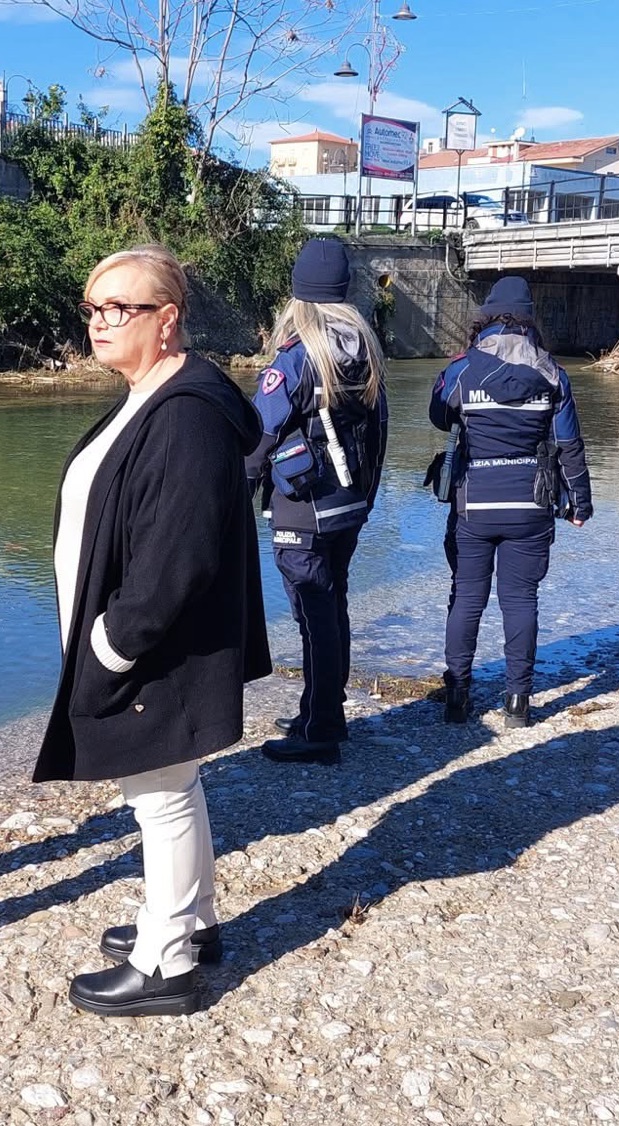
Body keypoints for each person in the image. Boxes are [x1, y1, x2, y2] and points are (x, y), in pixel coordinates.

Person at [38, 244, 270, 1017]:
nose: (99, 323)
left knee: (159, 793)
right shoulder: (151, 393)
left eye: (119, 310)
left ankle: (165, 963)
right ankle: (193, 922)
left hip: (154, 643)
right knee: (172, 784)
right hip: (136, 635)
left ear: (166, 321)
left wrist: (111, 642)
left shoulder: (188, 416)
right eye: (93, 308)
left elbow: (180, 554)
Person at [245, 238, 389, 765]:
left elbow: (258, 437)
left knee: (313, 616)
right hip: (349, 505)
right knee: (334, 610)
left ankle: (320, 728)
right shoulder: (365, 349)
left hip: (303, 509)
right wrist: (366, 499)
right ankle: (323, 708)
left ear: (298, 296)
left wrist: (226, 502)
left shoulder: (296, 358)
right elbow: (380, 431)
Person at [429, 276, 592, 727]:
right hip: (531, 505)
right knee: (520, 600)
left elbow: (439, 415)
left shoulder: (462, 369)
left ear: (484, 318)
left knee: (467, 599)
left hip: (473, 504)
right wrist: (579, 503)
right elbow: (569, 444)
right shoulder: (551, 372)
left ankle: (457, 697)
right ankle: (518, 703)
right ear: (528, 319)